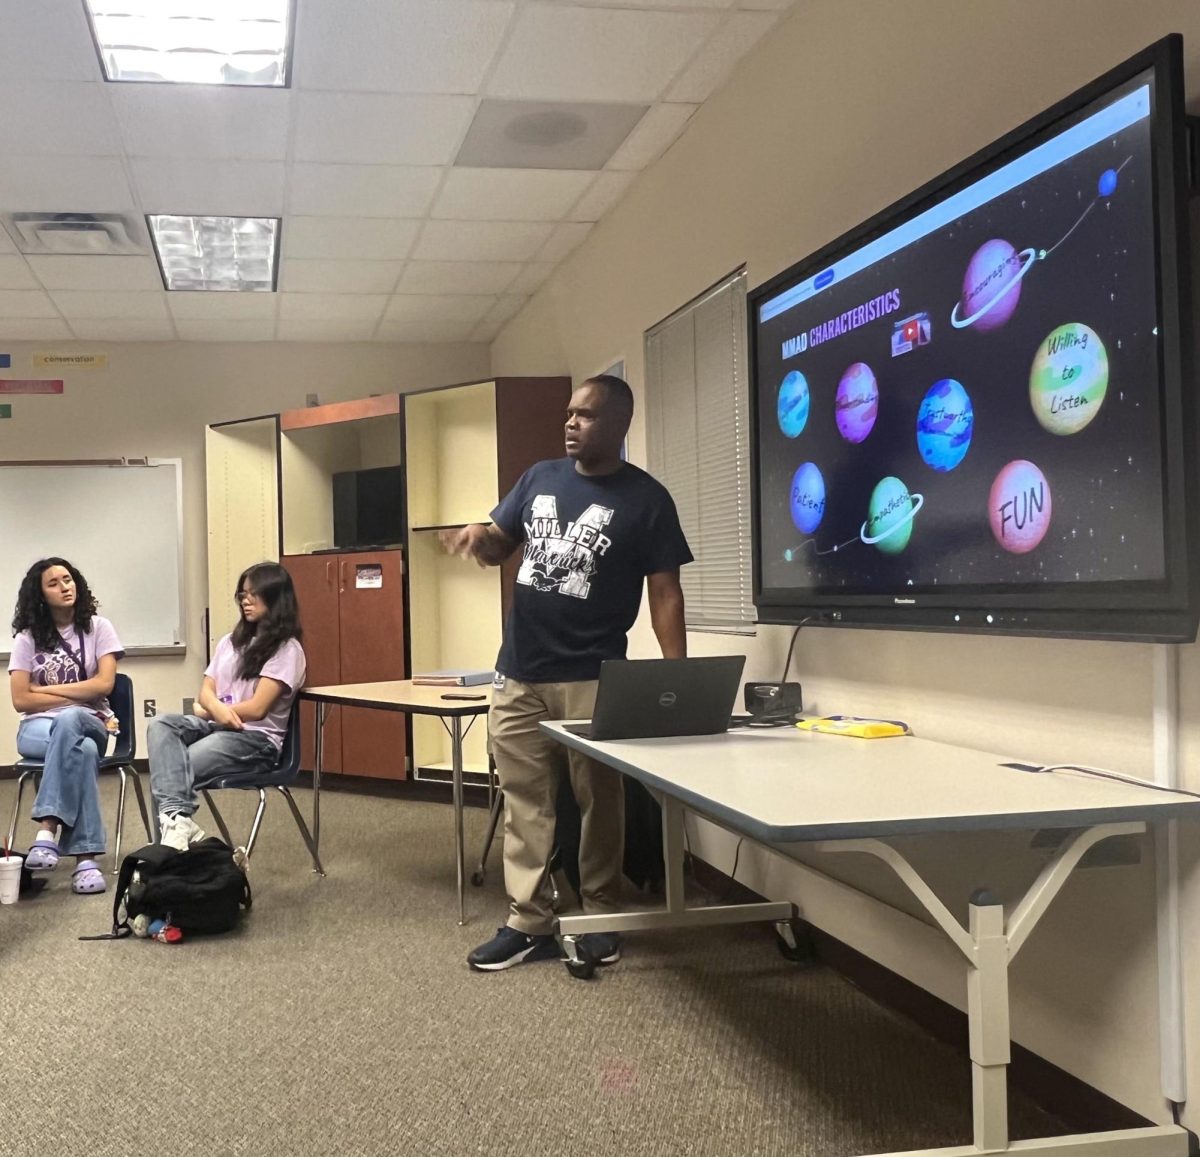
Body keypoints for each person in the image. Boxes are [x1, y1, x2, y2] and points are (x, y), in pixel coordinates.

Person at [442, 374, 692, 971]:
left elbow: (665, 592)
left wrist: (676, 676)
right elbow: (502, 543)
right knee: (526, 799)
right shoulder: (539, 477)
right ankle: (529, 920)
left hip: (593, 674)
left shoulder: (647, 499)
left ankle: (601, 911)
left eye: (585, 415)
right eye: (569, 414)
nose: (570, 423)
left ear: (618, 425)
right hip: (519, 672)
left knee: (598, 800)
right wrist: (481, 538)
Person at [147, 562, 305, 852]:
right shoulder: (230, 643)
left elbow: (258, 709)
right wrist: (216, 711)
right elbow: (205, 691)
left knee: (172, 771)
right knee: (161, 724)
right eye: (242, 594)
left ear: (275, 597)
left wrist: (211, 709)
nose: (245, 600)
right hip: (216, 725)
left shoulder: (288, 650)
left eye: (254, 593)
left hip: (255, 739)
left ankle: (169, 852)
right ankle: (178, 831)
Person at [8, 558, 125, 895]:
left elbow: (103, 685)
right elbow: (21, 701)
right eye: (54, 583)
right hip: (37, 730)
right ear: (40, 595)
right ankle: (85, 860)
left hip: (91, 721)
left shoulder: (99, 628)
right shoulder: (28, 638)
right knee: (83, 750)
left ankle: (48, 827)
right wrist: (74, 693)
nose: (65, 586)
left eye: (68, 579)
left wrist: (42, 691)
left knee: (73, 720)